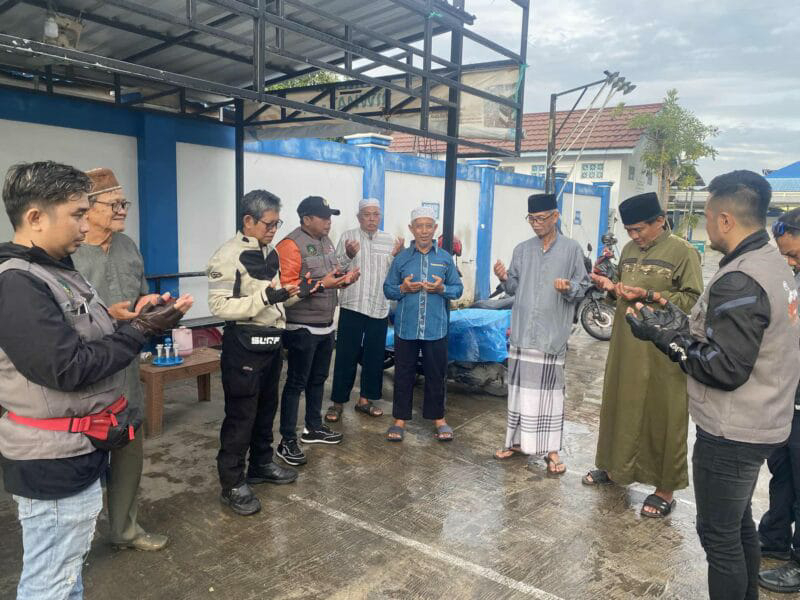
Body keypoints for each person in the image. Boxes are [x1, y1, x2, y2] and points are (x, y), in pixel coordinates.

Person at [0, 161, 191, 600]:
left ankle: (122, 528)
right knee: (50, 583)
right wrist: (139, 330)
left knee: (65, 576)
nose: (84, 226)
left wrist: (132, 318)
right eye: (77, 215)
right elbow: (66, 367)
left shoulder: (56, 267)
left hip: (79, 438)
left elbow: (82, 327)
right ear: (35, 217)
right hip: (53, 456)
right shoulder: (19, 282)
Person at [626, 170, 800, 600]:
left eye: (706, 216)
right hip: (762, 420)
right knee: (738, 528)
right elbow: (733, 337)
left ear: (725, 220)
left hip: (732, 431)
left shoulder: (741, 278)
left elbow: (725, 368)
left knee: (719, 539)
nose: (705, 224)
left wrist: (666, 339)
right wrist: (679, 325)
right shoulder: (773, 265)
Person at [583, 191, 703, 518]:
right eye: (629, 230)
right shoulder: (628, 250)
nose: (634, 236)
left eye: (639, 229)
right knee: (620, 405)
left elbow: (693, 302)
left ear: (660, 220)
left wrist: (649, 294)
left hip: (662, 350)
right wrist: (610, 288)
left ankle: (665, 488)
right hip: (626, 345)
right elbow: (621, 293)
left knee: (663, 414)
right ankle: (615, 469)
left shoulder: (683, 252)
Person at [71, 167, 168, 550]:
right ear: (88, 207)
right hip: (84, 370)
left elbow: (139, 294)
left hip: (126, 367)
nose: (123, 210)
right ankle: (75, 538)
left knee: (128, 447)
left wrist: (151, 305)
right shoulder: (67, 251)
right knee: (80, 452)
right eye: (114, 204)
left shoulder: (128, 246)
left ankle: (124, 530)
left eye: (124, 203)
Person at [206, 190, 303, 516]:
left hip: (271, 343)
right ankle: (232, 483)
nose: (274, 230)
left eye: (277, 224)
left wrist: (301, 292)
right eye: (269, 224)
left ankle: (261, 464)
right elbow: (219, 306)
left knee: (265, 410)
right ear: (248, 220)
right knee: (241, 416)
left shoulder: (269, 252)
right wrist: (265, 299)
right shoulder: (227, 255)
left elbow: (275, 298)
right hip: (243, 346)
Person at [492, 193, 589, 474]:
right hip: (523, 332)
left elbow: (582, 287)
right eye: (531, 219)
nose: (536, 224)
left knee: (550, 396)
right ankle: (515, 443)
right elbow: (513, 288)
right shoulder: (522, 250)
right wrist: (503, 277)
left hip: (551, 334)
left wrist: (568, 288)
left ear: (555, 217)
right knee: (519, 392)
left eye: (541, 218)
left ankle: (552, 451)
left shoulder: (571, 250)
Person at [275, 195, 358, 467]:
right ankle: (287, 440)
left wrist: (344, 278)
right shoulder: (290, 245)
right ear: (306, 219)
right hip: (302, 327)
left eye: (330, 217)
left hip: (326, 324)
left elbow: (329, 275)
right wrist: (323, 285)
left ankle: (313, 428)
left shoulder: (326, 241)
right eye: (323, 217)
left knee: (318, 380)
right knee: (296, 384)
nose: (328, 222)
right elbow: (287, 289)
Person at [383, 206, 463, 442]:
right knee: (403, 374)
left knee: (436, 375)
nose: (425, 231)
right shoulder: (402, 259)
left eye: (429, 226)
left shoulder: (445, 258)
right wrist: (402, 288)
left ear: (435, 228)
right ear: (412, 229)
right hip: (406, 328)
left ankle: (439, 419)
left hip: (436, 328)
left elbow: (458, 289)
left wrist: (442, 289)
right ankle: (399, 420)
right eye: (420, 226)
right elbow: (388, 289)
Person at [324, 198, 404, 423]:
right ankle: (338, 402)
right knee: (345, 355)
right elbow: (336, 269)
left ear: (380, 217)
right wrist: (348, 255)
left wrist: (397, 256)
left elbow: (393, 273)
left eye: (375, 214)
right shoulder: (348, 237)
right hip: (353, 304)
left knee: (374, 356)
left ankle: (365, 400)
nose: (371, 219)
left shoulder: (390, 240)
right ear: (359, 217)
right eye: (367, 215)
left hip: (378, 306)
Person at [758, 208, 800, 594]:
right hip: (790, 399)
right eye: (784, 254)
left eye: (793, 253)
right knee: (783, 472)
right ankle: (773, 538)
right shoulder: (794, 280)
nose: (788, 261)